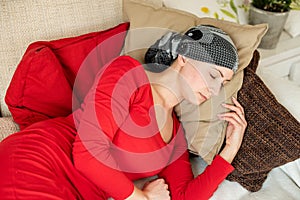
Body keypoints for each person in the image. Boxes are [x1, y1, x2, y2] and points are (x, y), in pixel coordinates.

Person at [72, 25, 247, 200]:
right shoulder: (127, 74)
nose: (215, 91)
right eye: (213, 76)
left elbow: (185, 197)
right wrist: (143, 197)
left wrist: (231, 149)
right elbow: (87, 154)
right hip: (53, 162)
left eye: (223, 84)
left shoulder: (175, 135)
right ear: (185, 56)